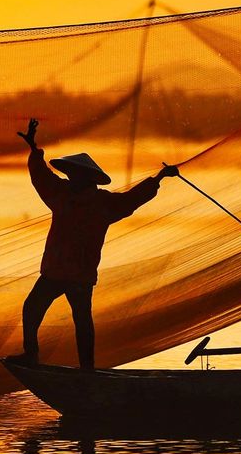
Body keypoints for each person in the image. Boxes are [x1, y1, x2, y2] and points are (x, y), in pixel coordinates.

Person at [14, 117, 178, 370]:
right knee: (37, 309)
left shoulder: (94, 202)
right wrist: (34, 149)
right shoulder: (66, 194)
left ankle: (85, 368)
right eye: (70, 174)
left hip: (72, 272)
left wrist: (159, 178)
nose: (70, 177)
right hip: (63, 270)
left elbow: (132, 199)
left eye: (74, 174)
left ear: (86, 177)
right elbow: (41, 175)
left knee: (77, 319)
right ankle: (37, 356)